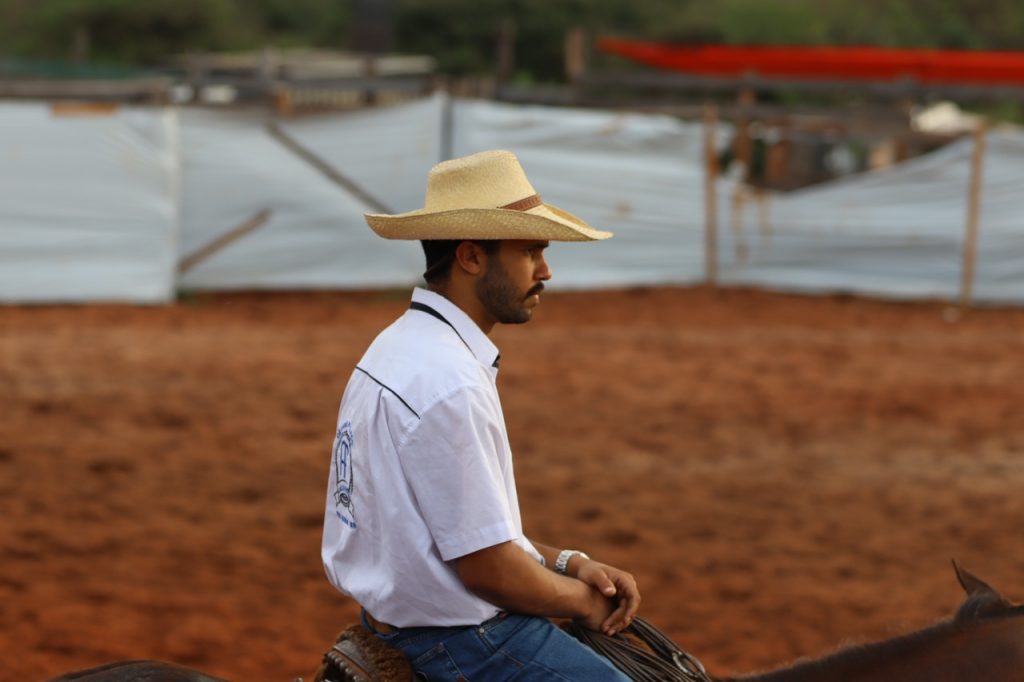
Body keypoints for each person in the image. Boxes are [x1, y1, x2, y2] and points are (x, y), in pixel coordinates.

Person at [321, 149, 640, 681]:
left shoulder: (395, 347)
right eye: (530, 251)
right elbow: (489, 569)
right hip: (464, 643)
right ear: (471, 257)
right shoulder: (451, 381)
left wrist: (569, 563)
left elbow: (460, 529)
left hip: (393, 626)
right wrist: (583, 602)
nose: (546, 271)